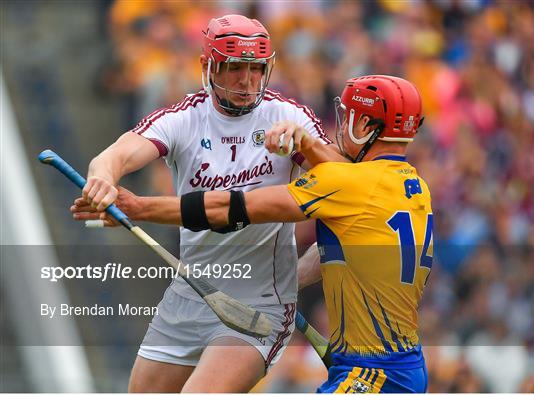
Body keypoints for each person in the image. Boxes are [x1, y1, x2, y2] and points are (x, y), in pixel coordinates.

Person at [74, 74, 433, 393]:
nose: (341, 126)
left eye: (349, 116)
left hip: (375, 373)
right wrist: (279, 288)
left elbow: (228, 209)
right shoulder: (415, 188)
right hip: (396, 365)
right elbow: (338, 254)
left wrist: (138, 208)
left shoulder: (348, 184)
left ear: (366, 125)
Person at [75, 14, 343, 393]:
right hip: (189, 294)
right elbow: (116, 154)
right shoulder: (184, 118)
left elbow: (347, 182)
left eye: (256, 69)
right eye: (235, 68)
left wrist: (308, 145)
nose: (247, 81)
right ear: (208, 66)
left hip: (261, 302)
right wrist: (102, 178)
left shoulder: (287, 115)